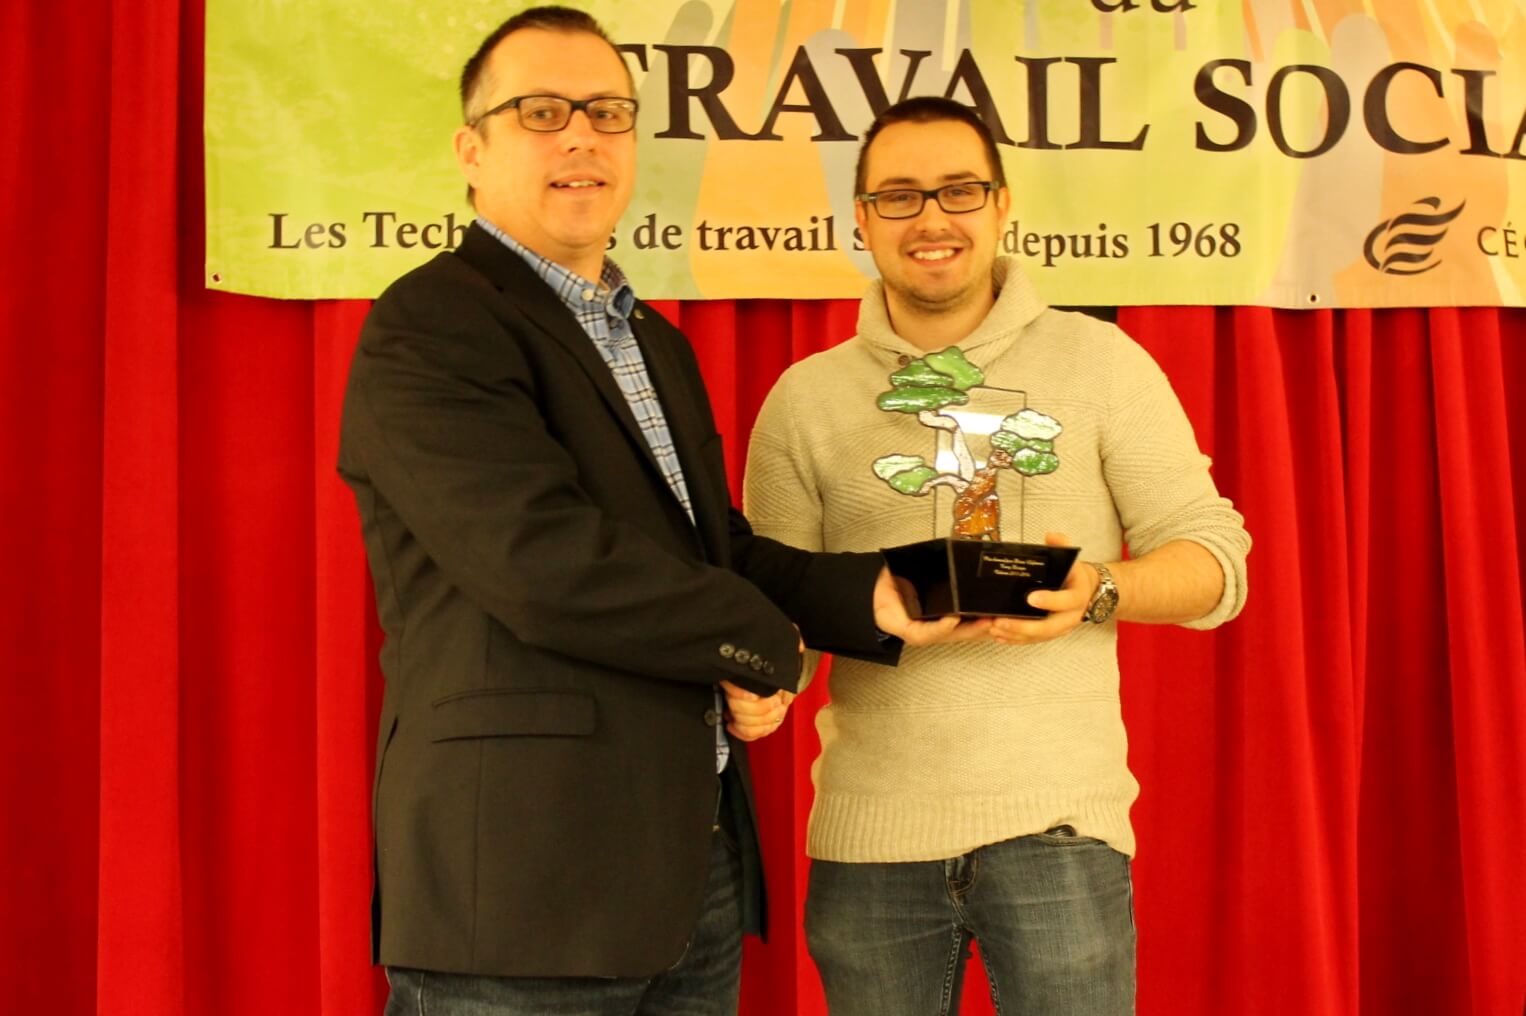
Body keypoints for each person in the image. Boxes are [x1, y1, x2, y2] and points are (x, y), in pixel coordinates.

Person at [337, 11, 978, 1016]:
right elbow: (542, 564)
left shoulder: (654, 341)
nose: (580, 136)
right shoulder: (430, 323)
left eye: (606, 112)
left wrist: (903, 590)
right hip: (519, 886)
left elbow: (711, 549)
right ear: (472, 148)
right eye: (540, 112)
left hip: (685, 872)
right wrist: (761, 648)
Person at [741, 96, 1252, 1015]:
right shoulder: (801, 400)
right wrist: (759, 677)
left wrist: (1096, 588)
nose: (931, 218)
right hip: (868, 846)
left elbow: (1218, 564)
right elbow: (782, 610)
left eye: (959, 190)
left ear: (1002, 205)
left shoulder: (1104, 364)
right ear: (860, 220)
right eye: (898, 196)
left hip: (1060, 832)